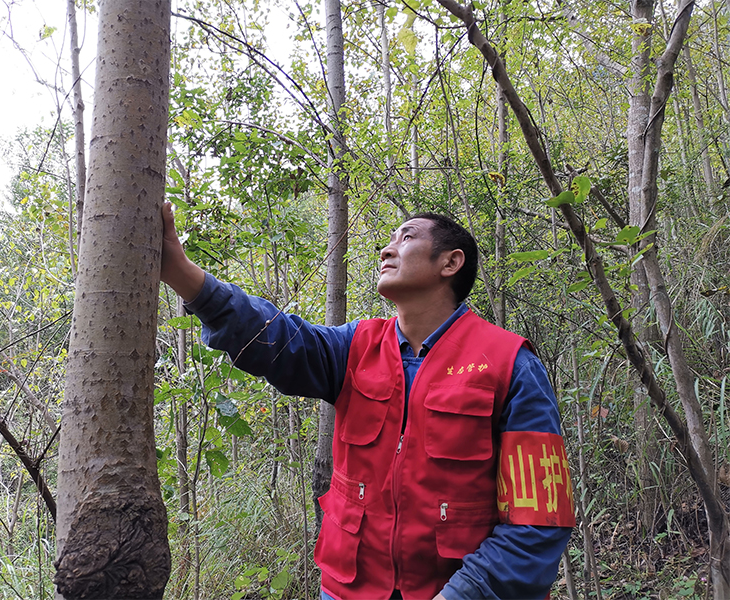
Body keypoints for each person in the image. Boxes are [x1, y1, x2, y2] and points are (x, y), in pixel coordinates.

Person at [160, 202, 574, 600]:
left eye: (406, 237)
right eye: (390, 238)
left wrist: (463, 594)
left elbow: (538, 518)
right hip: (347, 589)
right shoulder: (355, 347)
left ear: (450, 263)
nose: (386, 248)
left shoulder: (509, 363)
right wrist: (181, 273)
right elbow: (274, 337)